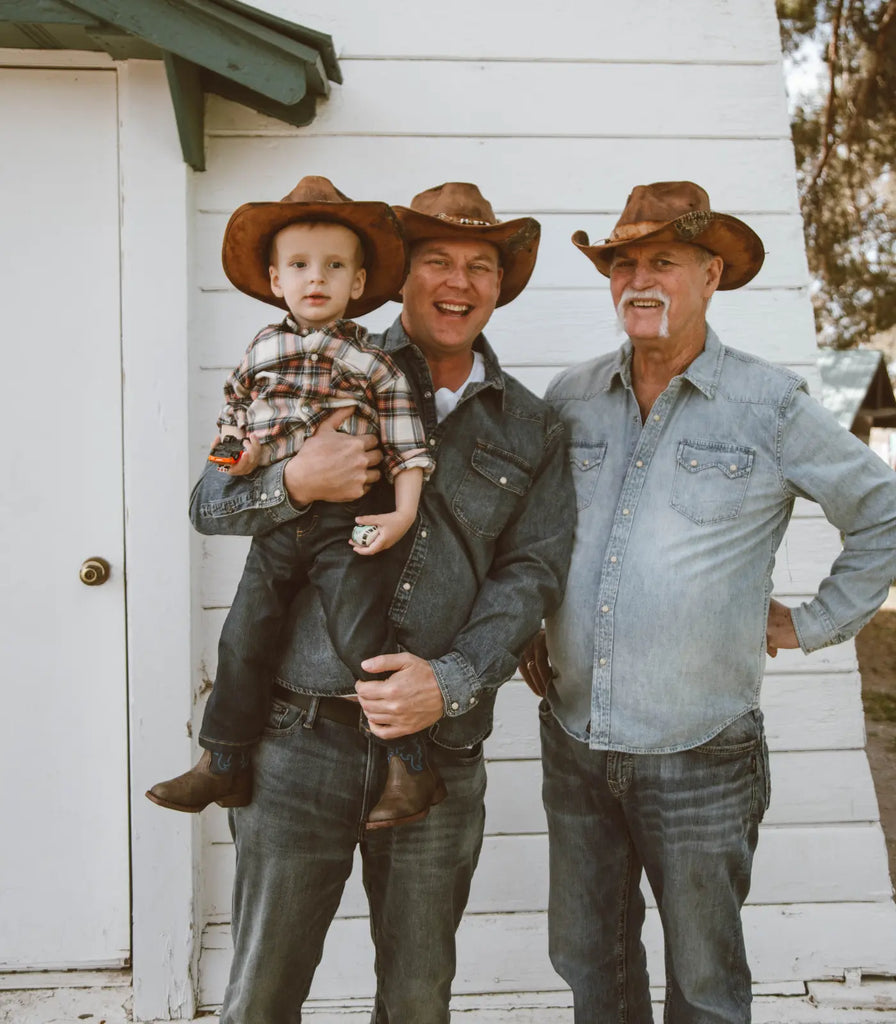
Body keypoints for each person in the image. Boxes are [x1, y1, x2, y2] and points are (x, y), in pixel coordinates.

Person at [188, 181, 575, 1022]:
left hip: (439, 751)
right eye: (437, 258)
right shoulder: (318, 363)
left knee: (416, 996)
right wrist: (295, 481)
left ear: (500, 286)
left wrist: (454, 676)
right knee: (260, 994)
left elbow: (532, 576)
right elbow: (209, 506)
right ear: (397, 275)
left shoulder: (532, 427)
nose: (459, 281)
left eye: (481, 265)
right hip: (301, 741)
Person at [520, 180, 896, 1023]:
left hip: (701, 754)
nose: (638, 280)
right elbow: (527, 531)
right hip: (576, 741)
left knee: (706, 986)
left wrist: (813, 621)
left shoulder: (768, 405)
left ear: (711, 274)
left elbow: (884, 512)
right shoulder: (570, 400)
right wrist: (522, 626)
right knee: (590, 962)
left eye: (663, 261)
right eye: (623, 264)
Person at [146, 175, 442, 828]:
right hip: (279, 523)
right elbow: (238, 420)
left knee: (361, 639)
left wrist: (402, 512)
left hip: (346, 521)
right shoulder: (261, 351)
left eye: (335, 267)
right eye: (300, 266)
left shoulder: (375, 365)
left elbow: (407, 446)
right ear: (276, 280)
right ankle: (222, 760)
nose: (317, 278)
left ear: (358, 285)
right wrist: (241, 457)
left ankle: (410, 767)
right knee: (244, 633)